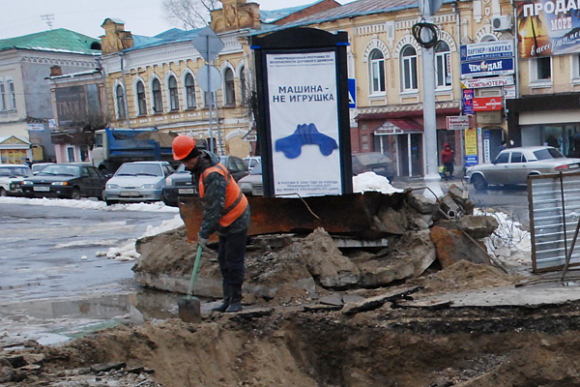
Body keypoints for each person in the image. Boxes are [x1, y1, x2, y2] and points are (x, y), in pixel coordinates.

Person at [172, 136, 250, 313]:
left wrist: (205, 233)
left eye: (185, 161)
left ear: (194, 156)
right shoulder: (200, 169)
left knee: (233, 261)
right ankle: (227, 299)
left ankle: (236, 301)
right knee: (223, 260)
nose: (184, 165)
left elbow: (215, 208)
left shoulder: (213, 173)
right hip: (225, 218)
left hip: (236, 217)